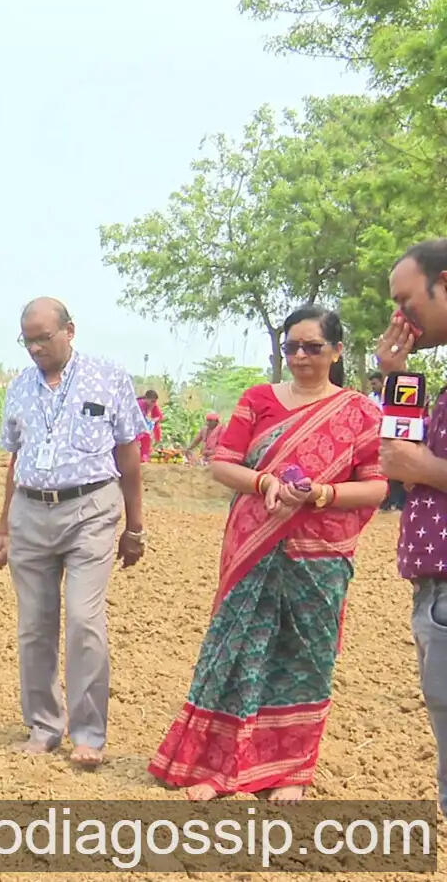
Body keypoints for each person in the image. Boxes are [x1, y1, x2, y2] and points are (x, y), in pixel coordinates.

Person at [150, 305, 386, 804]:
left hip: (319, 552)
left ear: (337, 351)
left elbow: (375, 487)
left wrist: (321, 495)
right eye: (291, 347)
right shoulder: (258, 400)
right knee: (239, 651)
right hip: (254, 544)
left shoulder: (359, 412)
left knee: (306, 657)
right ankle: (221, 767)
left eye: (313, 347)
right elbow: (223, 464)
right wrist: (266, 482)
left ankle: (292, 770)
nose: (300, 356)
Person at [0, 297, 145, 769]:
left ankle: (89, 733)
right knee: (34, 626)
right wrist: (3, 526)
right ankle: (43, 725)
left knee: (83, 621)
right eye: (27, 340)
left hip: (91, 510)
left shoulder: (109, 377)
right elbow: (16, 459)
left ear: (69, 331)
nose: (35, 347)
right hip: (31, 513)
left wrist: (135, 527)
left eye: (43, 337)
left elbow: (129, 456)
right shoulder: (18, 387)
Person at [375, 238, 447, 817]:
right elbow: (402, 452)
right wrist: (397, 375)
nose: (401, 317)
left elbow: (413, 461)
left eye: (407, 300)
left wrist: (427, 469)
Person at [369, 371, 408, 511]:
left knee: (399, 470)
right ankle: (386, 503)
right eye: (371, 384)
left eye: (375, 383)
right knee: (384, 470)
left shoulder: (391, 396)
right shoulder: (370, 399)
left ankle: (400, 503)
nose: (373, 387)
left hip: (396, 435)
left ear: (382, 382)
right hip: (378, 437)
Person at [137, 390, 163, 463]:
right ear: (146, 399)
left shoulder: (153, 405)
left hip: (142, 425)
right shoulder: (139, 404)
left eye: (155, 402)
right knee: (142, 436)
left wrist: (153, 421)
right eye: (152, 401)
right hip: (133, 425)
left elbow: (159, 417)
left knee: (147, 436)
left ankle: (144, 457)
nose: (154, 403)